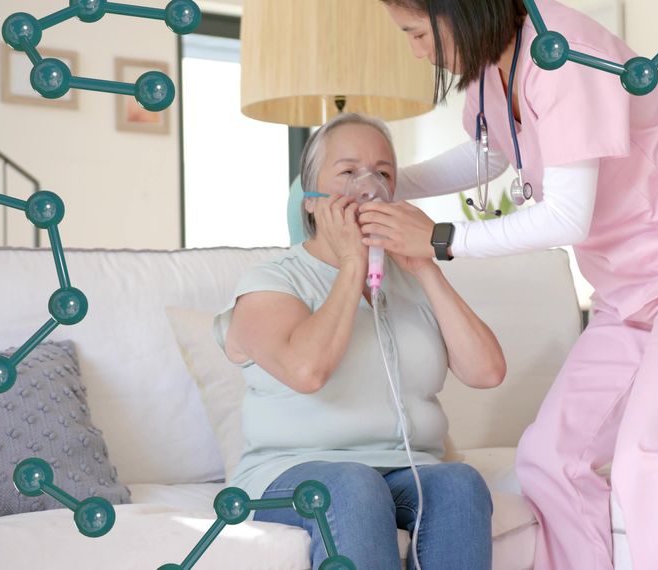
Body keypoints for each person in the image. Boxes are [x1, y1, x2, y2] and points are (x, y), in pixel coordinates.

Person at [358, 1, 658, 569]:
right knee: (548, 458)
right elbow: (491, 155)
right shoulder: (493, 66)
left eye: (416, 32)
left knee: (651, 458)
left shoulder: (563, 55)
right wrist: (390, 182)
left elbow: (566, 218)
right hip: (629, 296)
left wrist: (438, 238)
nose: (416, 49)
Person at [214, 112, 505, 570]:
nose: (367, 185)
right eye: (347, 171)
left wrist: (425, 265)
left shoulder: (409, 282)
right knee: (353, 484)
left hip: (405, 469)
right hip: (291, 474)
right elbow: (307, 371)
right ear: (309, 200)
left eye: (383, 173)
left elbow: (486, 372)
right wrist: (352, 263)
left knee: (460, 482)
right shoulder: (271, 282)